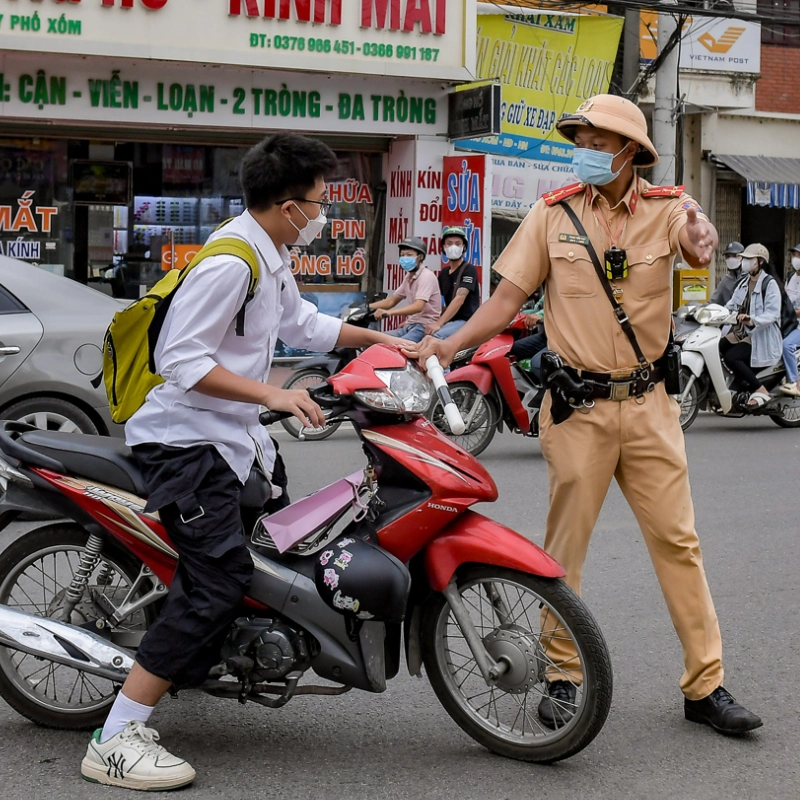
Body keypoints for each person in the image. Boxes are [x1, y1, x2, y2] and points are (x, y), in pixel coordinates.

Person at [406, 93, 761, 735]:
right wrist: (449, 342)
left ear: (630, 151)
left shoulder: (669, 209)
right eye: (582, 140)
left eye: (599, 142)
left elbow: (699, 243)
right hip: (577, 408)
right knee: (563, 553)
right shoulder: (552, 216)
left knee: (680, 544)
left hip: (651, 406)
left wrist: (702, 236)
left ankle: (705, 686)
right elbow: (506, 298)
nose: (587, 151)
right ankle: (564, 678)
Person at [80, 133, 409, 791]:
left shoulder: (270, 253)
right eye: (317, 204)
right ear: (287, 206)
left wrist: (378, 338)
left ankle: (202, 661)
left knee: (269, 549)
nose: (321, 216)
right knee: (219, 581)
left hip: (231, 440)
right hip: (186, 443)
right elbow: (181, 359)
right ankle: (114, 738)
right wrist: (274, 394)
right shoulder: (232, 262)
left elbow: (304, 327)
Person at [721, 243, 782, 408]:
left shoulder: (769, 284)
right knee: (718, 346)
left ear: (760, 262)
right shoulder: (743, 282)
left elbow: (773, 313)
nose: (745, 261)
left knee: (731, 357)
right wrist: (713, 314)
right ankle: (736, 383)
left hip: (758, 335)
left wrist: (752, 319)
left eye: (750, 258)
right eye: (745, 258)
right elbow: (731, 304)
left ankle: (760, 389)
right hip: (741, 332)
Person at [369, 237, 440, 343]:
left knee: (395, 348)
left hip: (423, 327)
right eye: (402, 255)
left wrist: (389, 313)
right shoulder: (408, 277)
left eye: (409, 255)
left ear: (420, 257)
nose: (405, 258)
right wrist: (366, 307)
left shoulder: (426, 276)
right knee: (374, 340)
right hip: (410, 325)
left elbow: (418, 306)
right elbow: (391, 301)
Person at [425, 226, 480, 340]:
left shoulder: (468, 269)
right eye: (449, 243)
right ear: (444, 247)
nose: (453, 247)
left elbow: (459, 299)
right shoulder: (444, 273)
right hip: (449, 321)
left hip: (465, 321)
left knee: (435, 337)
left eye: (457, 243)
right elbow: (433, 300)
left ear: (464, 247)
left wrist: (438, 323)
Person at [780, 243, 800, 397]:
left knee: (787, 345)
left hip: (798, 326)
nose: (795, 258)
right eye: (794, 255)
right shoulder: (791, 277)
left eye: (798, 255)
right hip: (788, 323)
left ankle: (794, 382)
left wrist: (792, 314)